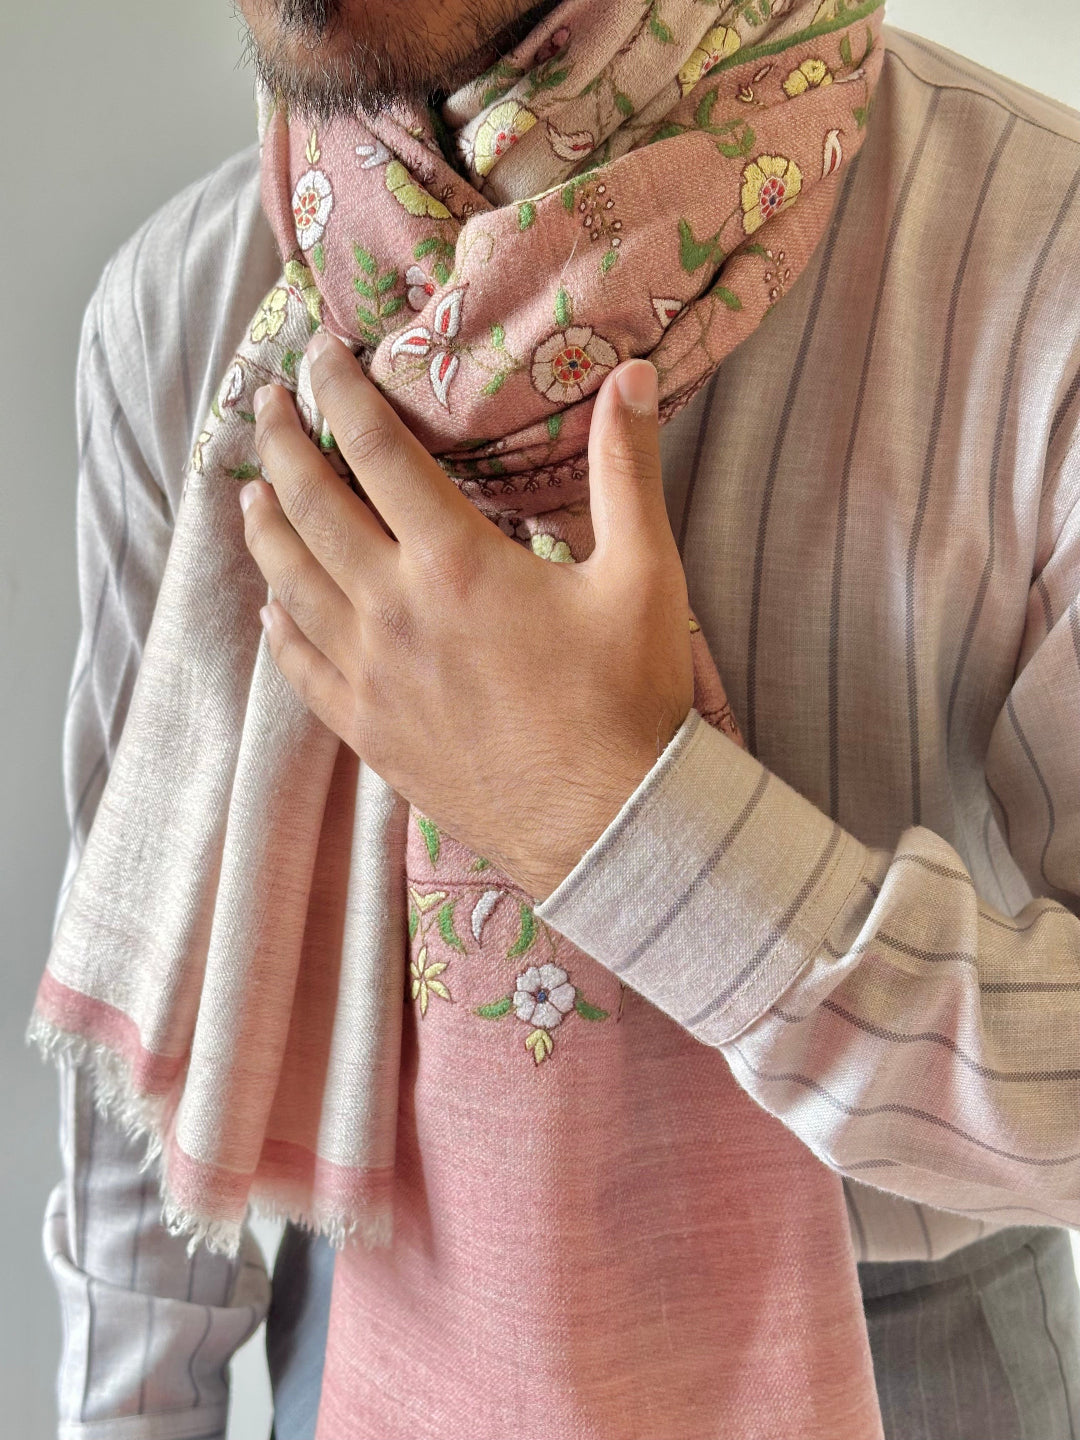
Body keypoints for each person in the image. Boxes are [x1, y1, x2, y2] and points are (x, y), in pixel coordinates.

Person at [41, 1, 1080, 1436]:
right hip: (366, 1347)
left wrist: (619, 821)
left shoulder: (1044, 262)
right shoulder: (186, 312)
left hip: (914, 1369)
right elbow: (151, 999)